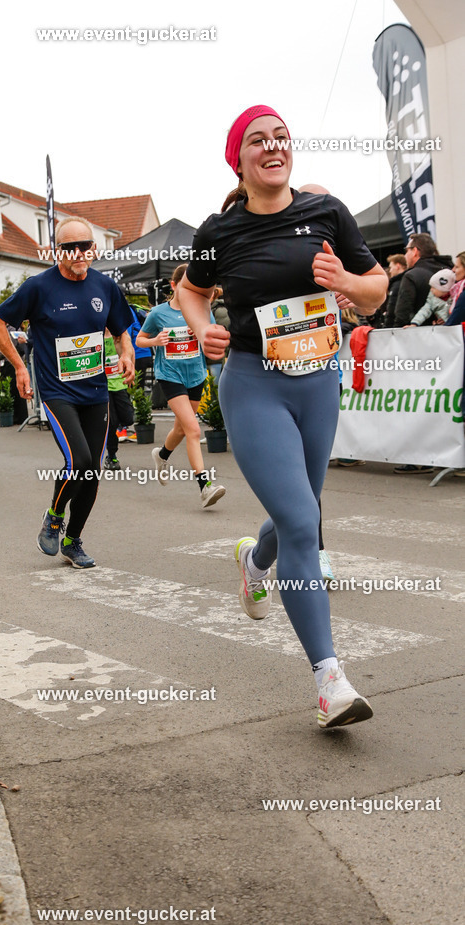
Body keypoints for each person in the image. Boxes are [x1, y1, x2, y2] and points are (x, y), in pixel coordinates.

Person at [178, 105, 387, 729]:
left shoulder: (326, 213)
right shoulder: (219, 231)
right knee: (303, 519)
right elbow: (190, 289)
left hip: (318, 381)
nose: (273, 147)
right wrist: (203, 328)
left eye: (281, 138)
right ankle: (330, 683)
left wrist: (346, 279)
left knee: (298, 510)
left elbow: (375, 288)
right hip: (255, 384)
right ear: (238, 161)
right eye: (258, 141)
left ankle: (255, 561)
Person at [0, 216, 134, 568]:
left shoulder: (104, 286)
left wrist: (126, 351)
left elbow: (120, 330)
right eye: (70, 247)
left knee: (92, 472)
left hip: (96, 391)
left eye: (85, 245)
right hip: (57, 392)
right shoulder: (38, 287)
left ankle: (72, 540)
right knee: (79, 462)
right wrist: (20, 367)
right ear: (57, 250)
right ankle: (54, 516)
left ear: (94, 248)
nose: (78, 252)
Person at [139, 263, 226, 508]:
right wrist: (156, 340)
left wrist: (208, 335)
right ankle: (205, 487)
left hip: (195, 374)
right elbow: (140, 339)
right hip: (170, 375)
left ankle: (162, 454)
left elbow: (210, 334)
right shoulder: (158, 313)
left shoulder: (202, 309)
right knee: (193, 430)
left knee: (180, 429)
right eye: (185, 285)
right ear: (175, 286)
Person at [393, 234, 452, 327]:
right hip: (453, 333)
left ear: (415, 251)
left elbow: (402, 313)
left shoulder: (411, 276)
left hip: (419, 334)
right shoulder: (451, 272)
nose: (405, 255)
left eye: (407, 250)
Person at [103, 330, 135, 470]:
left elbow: (130, 352)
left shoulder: (120, 334)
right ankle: (111, 455)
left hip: (119, 383)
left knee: (128, 418)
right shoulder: (95, 334)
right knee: (112, 422)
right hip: (104, 386)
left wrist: (130, 372)